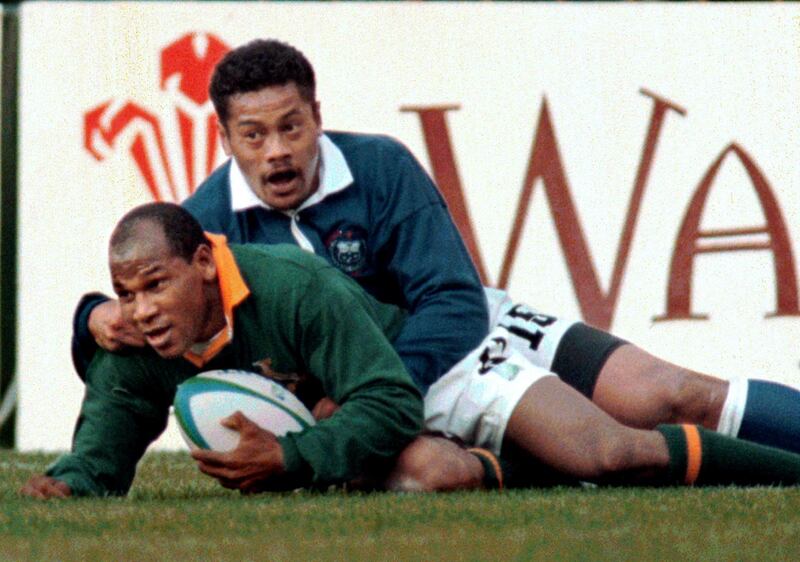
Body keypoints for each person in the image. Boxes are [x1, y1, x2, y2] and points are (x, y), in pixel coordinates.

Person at [70, 39, 800, 483]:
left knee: (671, 394)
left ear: (318, 117)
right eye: (254, 136)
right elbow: (163, 314)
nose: (278, 151)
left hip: (466, 334)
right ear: (226, 139)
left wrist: (369, 393)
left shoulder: (381, 168)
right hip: (371, 388)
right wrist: (92, 320)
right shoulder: (208, 221)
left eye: (292, 127)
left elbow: (451, 301)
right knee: (516, 464)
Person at [22, 203, 800, 499]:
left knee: (616, 449)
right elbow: (120, 406)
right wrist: (78, 479)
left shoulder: (295, 284)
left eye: (153, 286)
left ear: (204, 263)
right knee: (434, 478)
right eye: (126, 293)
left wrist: (293, 461)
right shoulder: (138, 328)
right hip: (362, 410)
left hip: (430, 360)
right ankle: (524, 466)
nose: (141, 310)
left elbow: (391, 393)